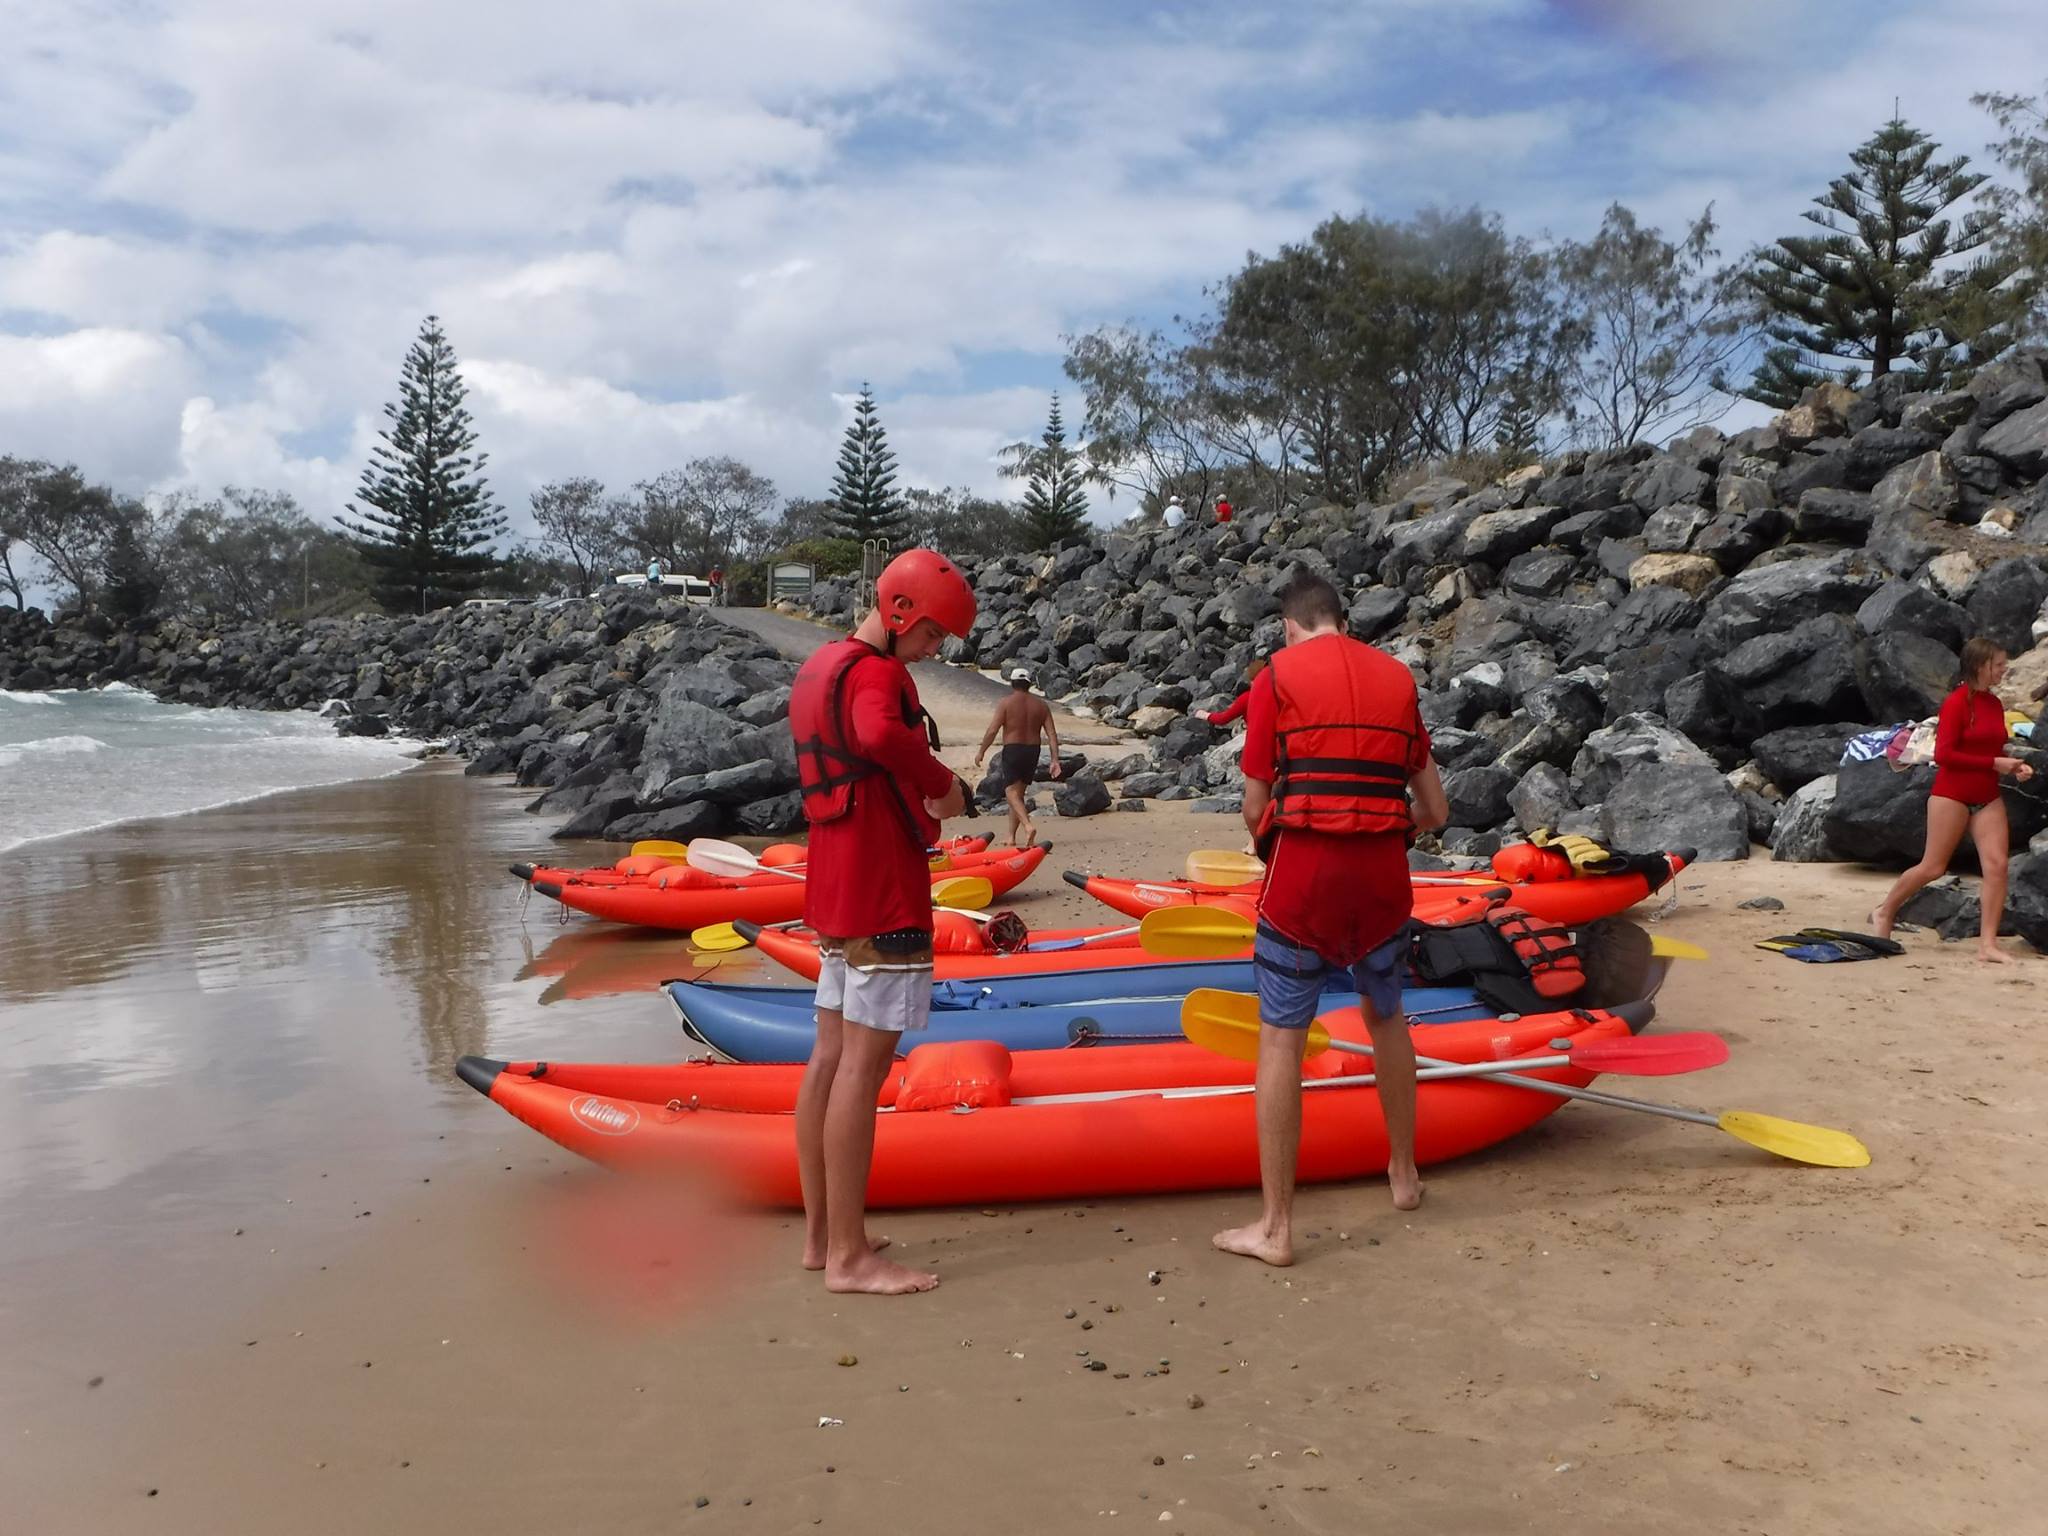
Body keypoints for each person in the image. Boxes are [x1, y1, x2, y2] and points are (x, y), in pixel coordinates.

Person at [1214, 568, 1449, 1268]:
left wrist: (1278, 839)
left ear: (1289, 627)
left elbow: (1257, 808)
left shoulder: (1274, 678)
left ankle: (1277, 1227)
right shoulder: (1398, 680)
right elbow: (1436, 810)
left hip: (1304, 889)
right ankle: (1404, 1176)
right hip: (1382, 889)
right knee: (1386, 1017)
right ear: (1343, 618)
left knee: (1282, 1039)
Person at [788, 548, 976, 1293]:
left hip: (831, 887)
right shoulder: (878, 675)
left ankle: (823, 1237)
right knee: (862, 1072)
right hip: (882, 893)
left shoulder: (820, 667)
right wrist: (943, 784)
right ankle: (850, 1260)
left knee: (829, 1060)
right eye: (933, 637)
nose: (933, 653)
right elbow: (876, 734)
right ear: (901, 614)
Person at [1872, 638, 2037, 962]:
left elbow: (1992, 749)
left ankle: (1987, 945)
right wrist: (1993, 763)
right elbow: (1945, 754)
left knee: (1997, 866)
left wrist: (2013, 766)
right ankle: (1885, 910)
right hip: (1952, 795)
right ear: (1981, 666)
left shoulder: (1993, 704)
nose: (2005, 670)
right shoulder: (1956, 703)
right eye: (2000, 665)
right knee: (1933, 867)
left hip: (1987, 796)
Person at [975, 666, 1063, 848]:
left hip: (1013, 749)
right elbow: (1052, 734)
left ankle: (1028, 826)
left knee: (1010, 793)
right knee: (1018, 794)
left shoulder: (1006, 703)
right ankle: (1010, 836)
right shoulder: (1041, 705)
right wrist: (1055, 760)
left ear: (1012, 683)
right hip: (1033, 750)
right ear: (1029, 684)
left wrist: (982, 751)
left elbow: (993, 730)